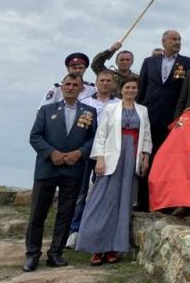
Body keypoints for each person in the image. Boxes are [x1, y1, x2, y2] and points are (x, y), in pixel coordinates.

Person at [23, 74, 97, 272]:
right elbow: (35, 137)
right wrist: (51, 153)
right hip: (47, 168)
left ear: (81, 88)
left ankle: (55, 253)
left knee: (65, 214)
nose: (71, 87)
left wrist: (79, 153)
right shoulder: (47, 110)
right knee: (38, 213)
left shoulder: (89, 112)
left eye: (75, 85)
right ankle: (32, 255)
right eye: (68, 84)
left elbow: (93, 139)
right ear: (62, 87)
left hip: (73, 169)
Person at [76, 76, 152, 265]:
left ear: (137, 90)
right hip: (111, 159)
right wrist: (99, 159)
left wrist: (145, 156)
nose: (131, 90)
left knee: (123, 203)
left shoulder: (143, 110)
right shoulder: (111, 109)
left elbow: (147, 136)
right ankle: (96, 247)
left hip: (131, 158)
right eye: (127, 87)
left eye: (134, 87)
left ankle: (112, 248)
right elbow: (101, 136)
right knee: (102, 202)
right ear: (121, 89)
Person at [136, 29, 190, 209]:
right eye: (173, 39)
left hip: (172, 119)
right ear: (164, 42)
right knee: (146, 158)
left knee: (169, 161)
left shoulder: (188, 63)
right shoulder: (149, 62)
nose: (177, 42)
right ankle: (143, 201)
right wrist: (139, 113)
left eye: (179, 39)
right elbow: (142, 89)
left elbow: (187, 92)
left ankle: (167, 202)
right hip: (150, 117)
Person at [66, 69, 120, 249]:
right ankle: (74, 231)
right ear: (96, 83)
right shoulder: (85, 103)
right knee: (81, 193)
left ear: (113, 84)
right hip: (86, 152)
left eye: (108, 81)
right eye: (102, 80)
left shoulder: (119, 104)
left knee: (102, 194)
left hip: (109, 154)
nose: (105, 83)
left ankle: (96, 232)